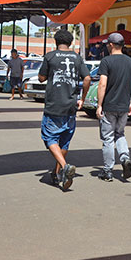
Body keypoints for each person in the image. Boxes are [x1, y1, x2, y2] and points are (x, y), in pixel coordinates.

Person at [37, 29, 90, 191]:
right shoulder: (77, 57)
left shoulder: (50, 56)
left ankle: (65, 167)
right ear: (71, 42)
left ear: (55, 41)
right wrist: (82, 98)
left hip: (54, 105)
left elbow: (41, 78)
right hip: (71, 106)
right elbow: (87, 78)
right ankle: (57, 173)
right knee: (65, 140)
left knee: (49, 137)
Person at [96, 32, 131, 182]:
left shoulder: (106, 61)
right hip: (123, 106)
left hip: (109, 105)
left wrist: (99, 105)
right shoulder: (130, 62)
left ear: (112, 45)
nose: (107, 46)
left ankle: (108, 171)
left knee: (108, 138)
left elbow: (102, 84)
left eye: (108, 44)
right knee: (120, 134)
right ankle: (125, 158)